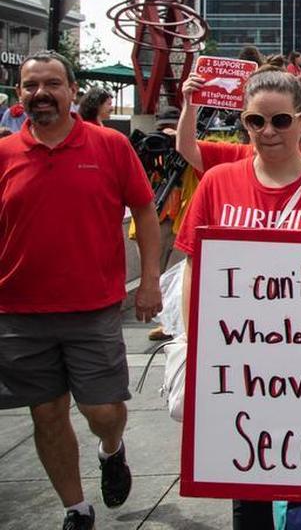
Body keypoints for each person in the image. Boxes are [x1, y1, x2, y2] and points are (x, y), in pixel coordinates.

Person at [176, 67, 301, 530]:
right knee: (248, 490)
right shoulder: (217, 183)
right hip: (236, 367)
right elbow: (196, 268)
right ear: (244, 122)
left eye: (280, 121)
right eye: (256, 122)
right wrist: (199, 351)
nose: (267, 132)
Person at [0, 51, 163, 530]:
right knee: (46, 415)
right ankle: (76, 508)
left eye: (52, 84)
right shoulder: (4, 155)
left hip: (92, 308)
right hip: (18, 313)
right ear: (19, 95)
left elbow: (146, 211)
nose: (41, 94)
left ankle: (111, 449)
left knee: (103, 410)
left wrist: (150, 280)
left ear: (73, 92)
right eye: (31, 86)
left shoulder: (110, 146)